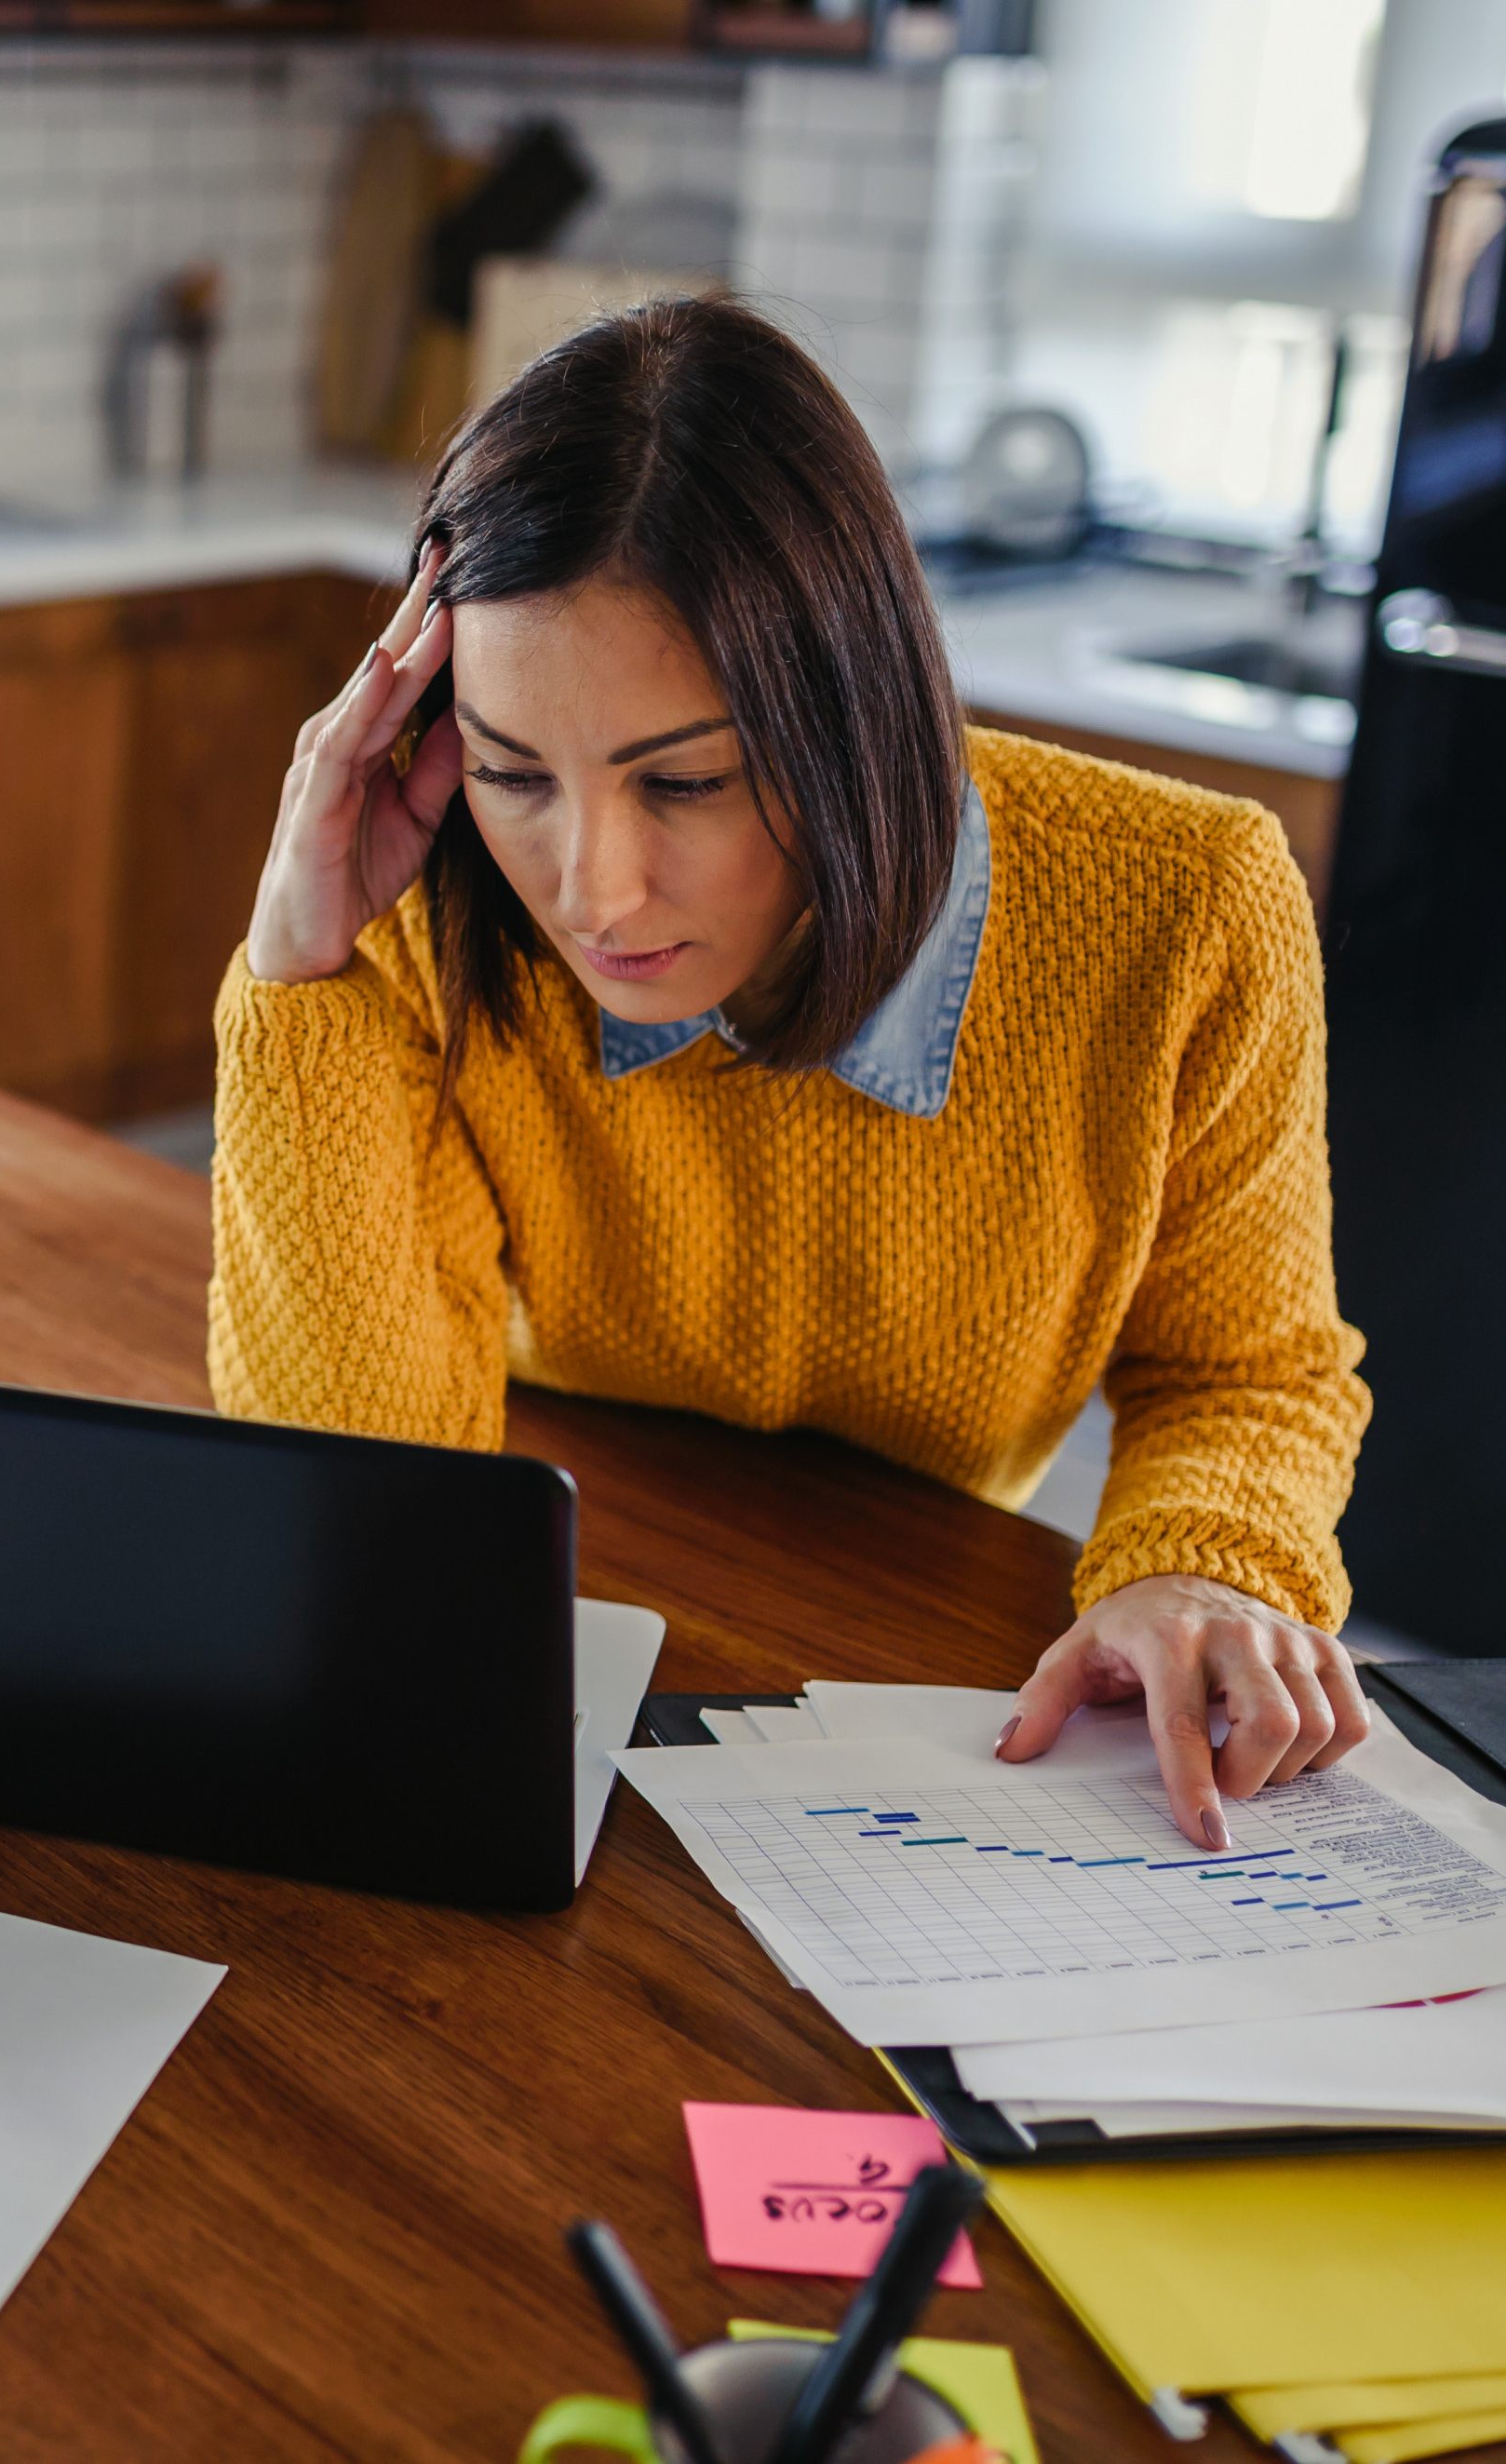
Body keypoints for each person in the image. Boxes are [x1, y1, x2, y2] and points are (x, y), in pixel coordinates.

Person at [210, 294, 1371, 1851]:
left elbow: (1245, 1371)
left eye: (682, 781)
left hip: (933, 1668)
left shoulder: (1186, 904)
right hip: (584, 1576)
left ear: (852, 715)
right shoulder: (428, 907)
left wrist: (1203, 1559)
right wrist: (303, 979)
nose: (592, 891)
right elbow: (361, 1496)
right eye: (510, 773)